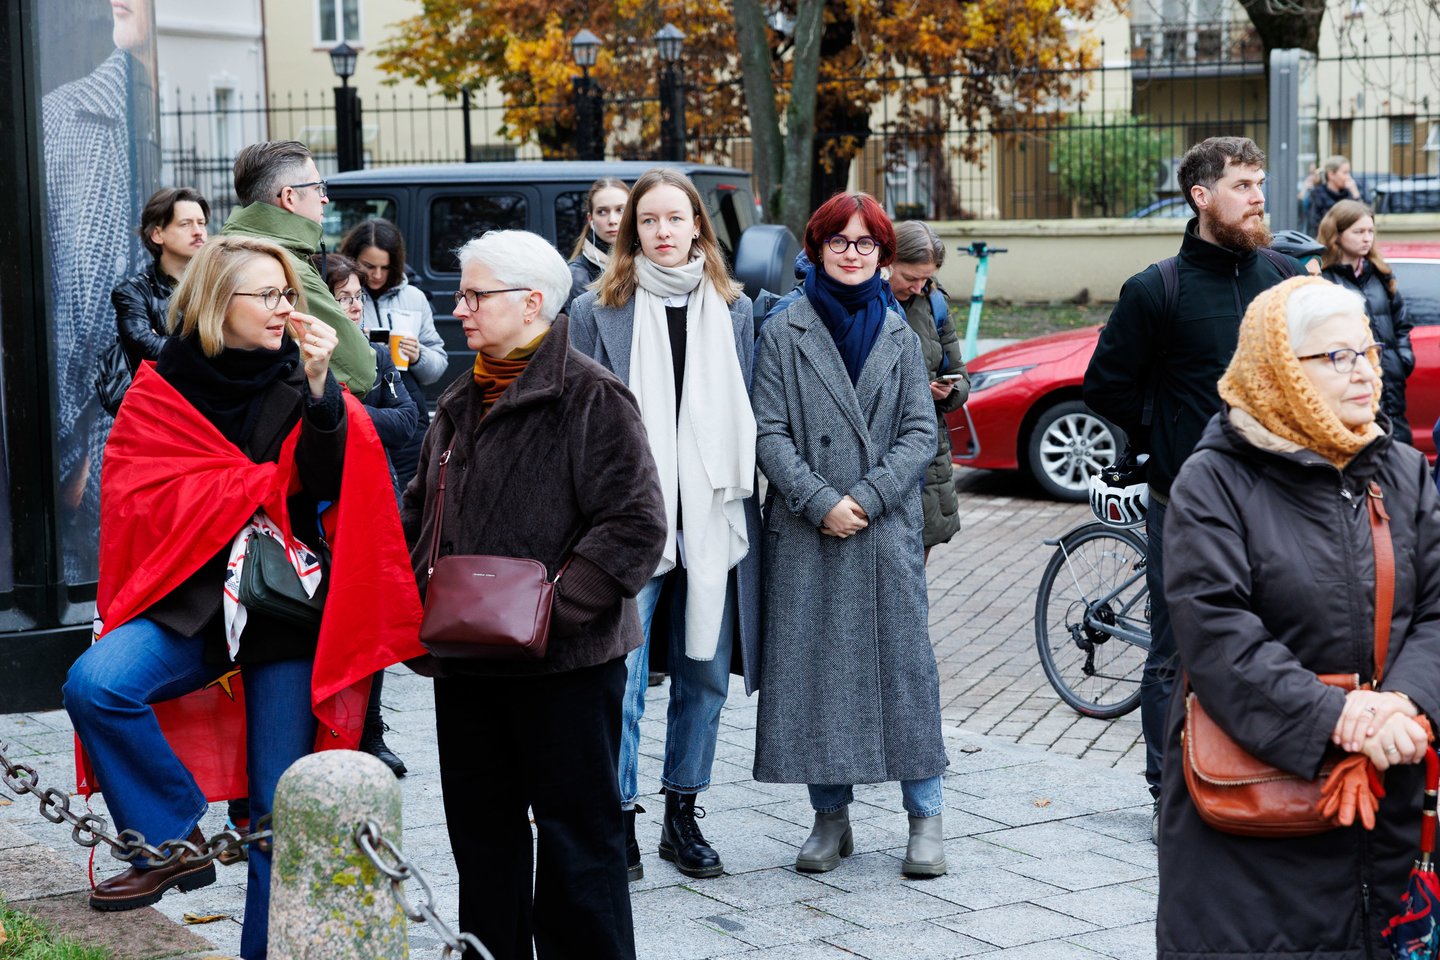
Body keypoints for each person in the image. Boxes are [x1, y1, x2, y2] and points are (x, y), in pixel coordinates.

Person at [63, 235, 421, 960]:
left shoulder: (302, 379)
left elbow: (328, 484)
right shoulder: (162, 386)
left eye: (288, 294)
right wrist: (243, 491)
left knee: (275, 813)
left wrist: (322, 390)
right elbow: (137, 498)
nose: (283, 308)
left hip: (285, 612)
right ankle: (171, 842)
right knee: (96, 685)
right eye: (267, 294)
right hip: (190, 604)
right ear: (215, 301)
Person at [402, 230, 666, 960]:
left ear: (533, 302)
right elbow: (421, 510)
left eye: (475, 295)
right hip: (465, 662)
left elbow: (636, 526)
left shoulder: (592, 396)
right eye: (463, 295)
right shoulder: (459, 400)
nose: (460, 310)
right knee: (482, 844)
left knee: (578, 842)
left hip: (566, 668)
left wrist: (550, 612)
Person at [1157, 276, 1440, 958]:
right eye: (1335, 357)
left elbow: (1435, 608)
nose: (1364, 373)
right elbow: (1218, 633)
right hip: (1255, 820)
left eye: (1367, 352)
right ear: (1279, 368)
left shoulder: (1402, 470)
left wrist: (1405, 704)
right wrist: (1339, 719)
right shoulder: (1214, 480)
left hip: (1388, 800)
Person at [1082, 136, 1303, 839]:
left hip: (1278, 500)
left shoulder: (1286, 278)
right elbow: (1105, 388)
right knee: (1177, 655)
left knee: (1276, 644)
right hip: (1187, 505)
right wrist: (1168, 434)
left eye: (1260, 182)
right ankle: (1167, 791)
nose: (1259, 196)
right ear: (1202, 197)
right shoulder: (1158, 288)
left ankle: (1256, 774)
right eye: (1242, 185)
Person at [568, 168, 761, 883]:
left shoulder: (734, 311)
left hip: (711, 514)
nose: (663, 232)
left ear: (698, 228)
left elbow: (745, 415)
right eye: (649, 221)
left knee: (704, 673)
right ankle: (619, 819)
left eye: (675, 219)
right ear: (629, 232)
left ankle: (684, 813)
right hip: (629, 522)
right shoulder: (596, 310)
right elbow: (578, 425)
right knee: (621, 677)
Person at [750, 191, 948, 879]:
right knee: (815, 670)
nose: (854, 253)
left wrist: (863, 498)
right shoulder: (784, 328)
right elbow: (767, 431)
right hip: (809, 532)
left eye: (867, 243)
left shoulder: (901, 329)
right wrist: (817, 500)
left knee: (906, 672)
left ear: (883, 253)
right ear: (817, 248)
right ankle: (829, 817)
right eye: (841, 241)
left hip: (882, 528)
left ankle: (926, 817)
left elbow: (922, 432)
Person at [319, 252, 421, 778]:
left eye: (359, 296)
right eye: (342, 298)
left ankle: (372, 730)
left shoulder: (378, 357)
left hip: (375, 500)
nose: (355, 306)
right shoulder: (307, 358)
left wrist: (347, 414)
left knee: (372, 618)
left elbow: (407, 421)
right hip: (320, 509)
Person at [220, 140, 375, 398]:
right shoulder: (287, 268)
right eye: (318, 187)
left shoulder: (217, 252)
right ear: (289, 197)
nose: (325, 198)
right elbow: (361, 372)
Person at [339, 217, 446, 485]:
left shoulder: (413, 297)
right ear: (353, 260)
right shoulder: (342, 295)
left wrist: (418, 355)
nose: (376, 275)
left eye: (385, 267)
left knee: (411, 494)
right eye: (369, 266)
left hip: (407, 406)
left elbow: (438, 365)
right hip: (366, 407)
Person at [889, 220, 969, 561]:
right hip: (884, 451)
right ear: (886, 261)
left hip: (928, 456)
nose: (918, 286)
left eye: (927, 278)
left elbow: (961, 375)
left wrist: (948, 391)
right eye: (910, 278)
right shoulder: (862, 303)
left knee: (915, 570)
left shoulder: (933, 302)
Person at [1318, 199, 1414, 446]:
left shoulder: (1380, 274)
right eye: (1358, 232)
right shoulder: (1323, 278)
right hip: (1350, 383)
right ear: (1336, 235)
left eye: (1370, 231)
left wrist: (1403, 359)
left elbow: (1401, 324)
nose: (1366, 238)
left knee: (1398, 456)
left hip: (1390, 382)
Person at [113, 187, 210, 371]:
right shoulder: (133, 292)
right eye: (185, 224)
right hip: (166, 395)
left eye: (202, 223)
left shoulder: (218, 283)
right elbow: (144, 345)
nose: (198, 232)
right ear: (157, 234)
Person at [565, 177, 629, 313]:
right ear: (591, 219)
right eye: (602, 212)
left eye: (621, 210)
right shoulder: (578, 275)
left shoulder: (647, 259)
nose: (612, 220)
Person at [1306, 154, 1364, 236]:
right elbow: (1313, 224)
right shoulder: (1317, 194)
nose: (1348, 177)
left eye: (1348, 173)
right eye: (1345, 173)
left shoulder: (1350, 193)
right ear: (1331, 175)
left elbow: (1363, 218)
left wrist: (1356, 195)